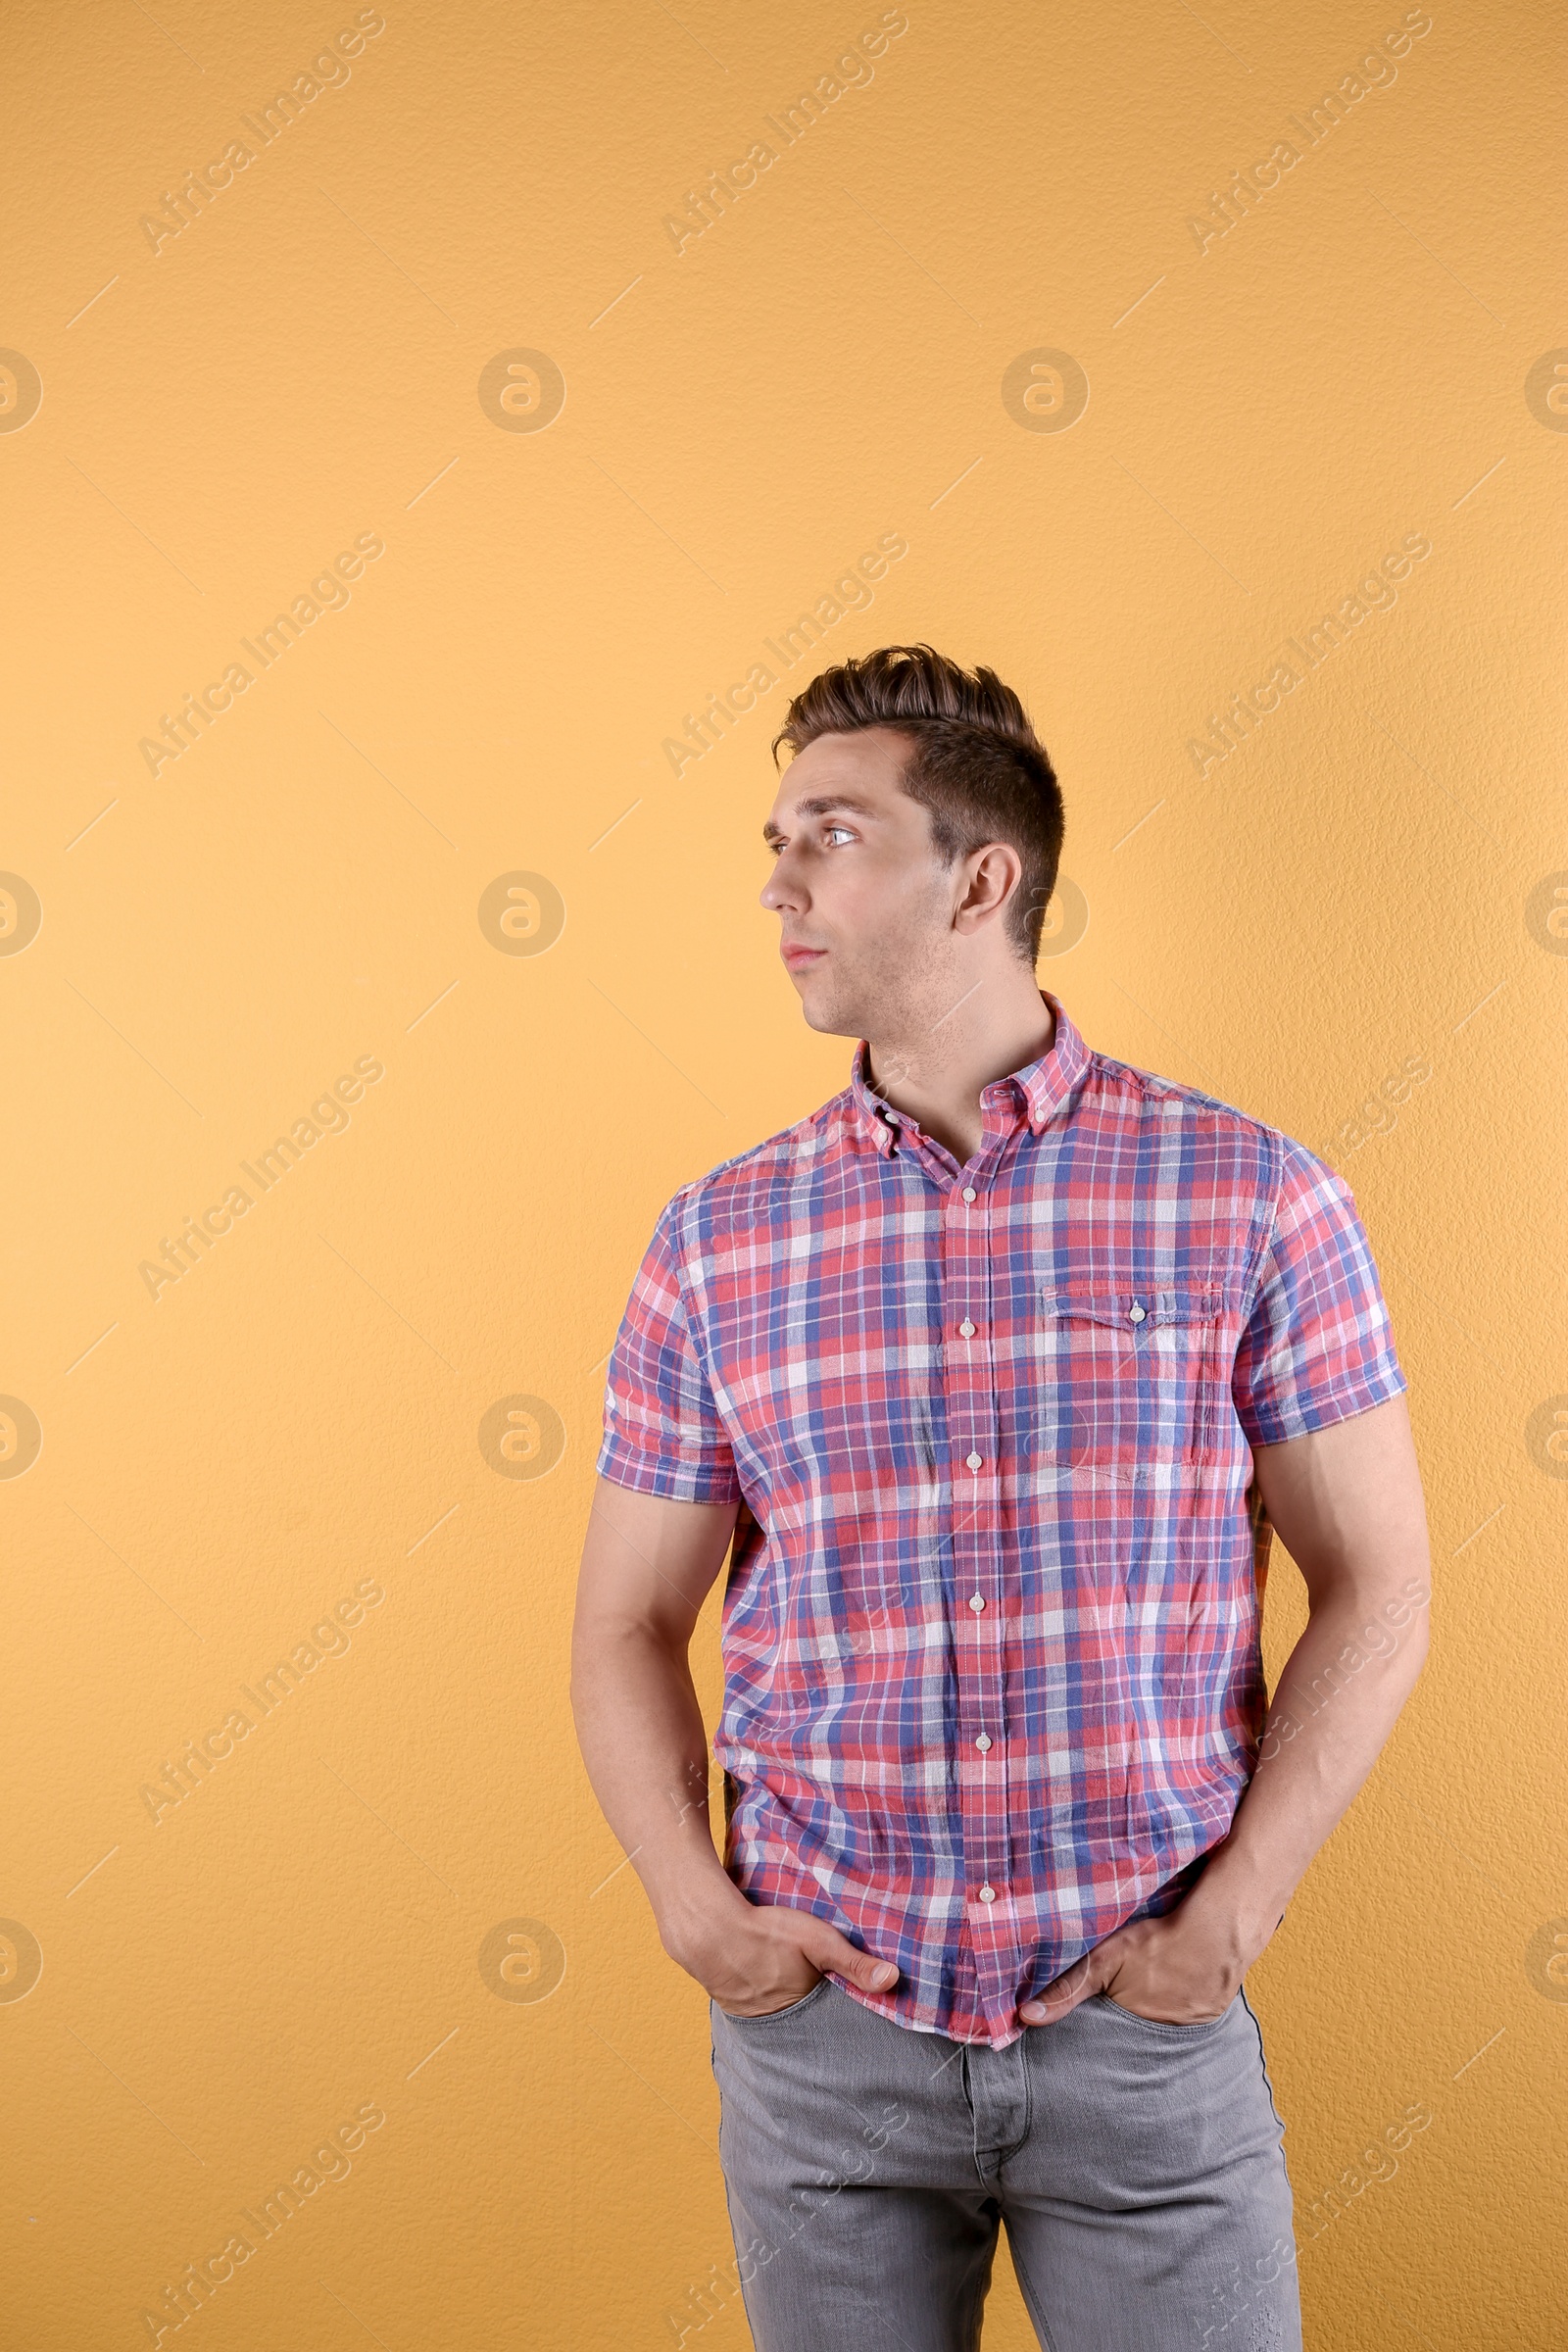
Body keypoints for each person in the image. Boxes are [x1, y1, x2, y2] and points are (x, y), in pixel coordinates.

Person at [571, 645, 1430, 2351]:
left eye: (830, 834)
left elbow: (1381, 1578)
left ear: (982, 877)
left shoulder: (1253, 1197)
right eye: (776, 837)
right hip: (830, 2057)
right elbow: (626, 1616)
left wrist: (1230, 1922)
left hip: (1144, 2034)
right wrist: (703, 1918)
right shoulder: (717, 1240)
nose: (776, 883)